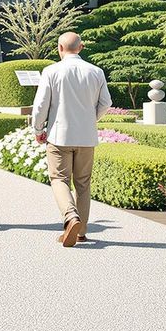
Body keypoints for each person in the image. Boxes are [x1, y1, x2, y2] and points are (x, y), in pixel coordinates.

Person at [31, 31, 112, 247]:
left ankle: (70, 216)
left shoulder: (51, 71)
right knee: (83, 184)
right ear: (81, 47)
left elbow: (41, 105)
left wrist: (38, 129)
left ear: (60, 48)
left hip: (59, 136)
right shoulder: (96, 71)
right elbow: (106, 103)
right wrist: (90, 119)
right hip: (86, 137)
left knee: (59, 179)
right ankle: (81, 232)